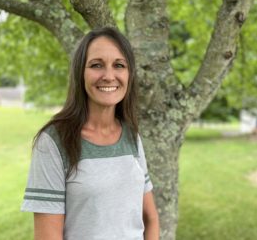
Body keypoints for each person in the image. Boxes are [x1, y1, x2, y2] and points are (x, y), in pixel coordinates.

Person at [21, 27, 159, 240]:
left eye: (119, 65)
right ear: (80, 73)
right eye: (96, 65)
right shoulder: (53, 142)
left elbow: (150, 218)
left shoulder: (132, 136)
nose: (109, 76)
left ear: (129, 74)